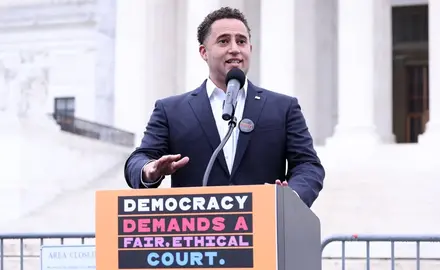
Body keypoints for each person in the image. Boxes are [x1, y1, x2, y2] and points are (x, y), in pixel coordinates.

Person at [124, 7, 325, 208]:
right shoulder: (171, 110)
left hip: (266, 226)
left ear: (250, 49)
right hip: (197, 233)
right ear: (204, 52)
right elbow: (138, 160)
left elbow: (308, 165)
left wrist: (291, 196)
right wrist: (150, 170)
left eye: (241, 41)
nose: (235, 49)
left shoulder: (283, 107)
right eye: (223, 41)